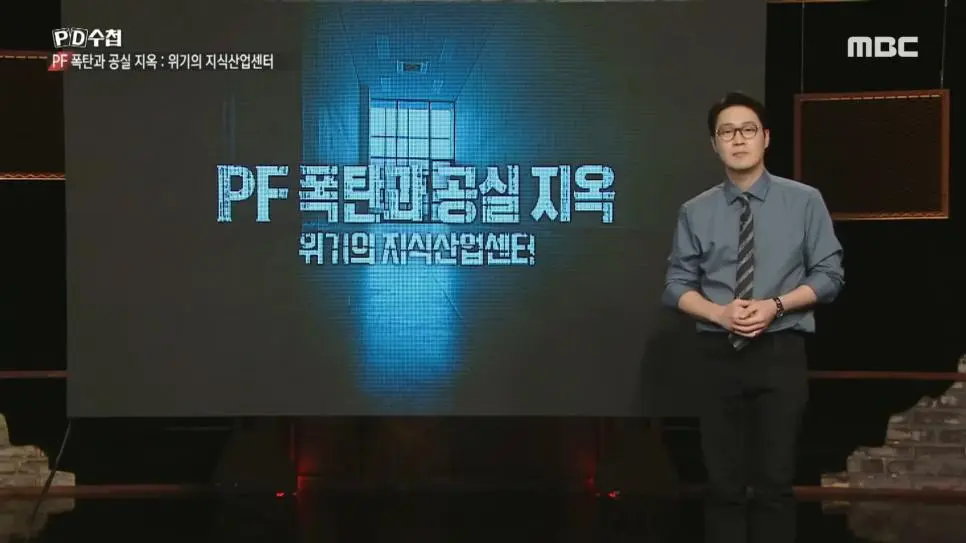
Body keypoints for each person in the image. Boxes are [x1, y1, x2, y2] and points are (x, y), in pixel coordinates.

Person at [662, 91, 845, 543]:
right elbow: (676, 286)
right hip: (717, 354)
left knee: (775, 483)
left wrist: (775, 305)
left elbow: (829, 276)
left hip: (780, 350)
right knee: (722, 486)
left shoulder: (804, 201)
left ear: (766, 137)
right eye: (726, 132)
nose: (738, 139)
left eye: (747, 130)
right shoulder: (695, 211)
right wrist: (719, 313)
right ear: (714, 144)